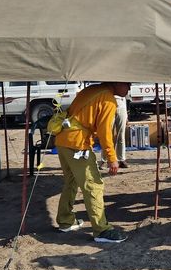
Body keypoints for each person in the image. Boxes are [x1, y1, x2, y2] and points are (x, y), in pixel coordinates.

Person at [55, 81, 130, 243]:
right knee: (93, 185)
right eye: (127, 84)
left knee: (71, 181)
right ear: (117, 82)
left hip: (63, 139)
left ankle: (65, 220)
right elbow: (105, 132)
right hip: (77, 144)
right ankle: (101, 230)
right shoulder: (109, 100)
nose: (129, 88)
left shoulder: (91, 90)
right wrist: (112, 158)